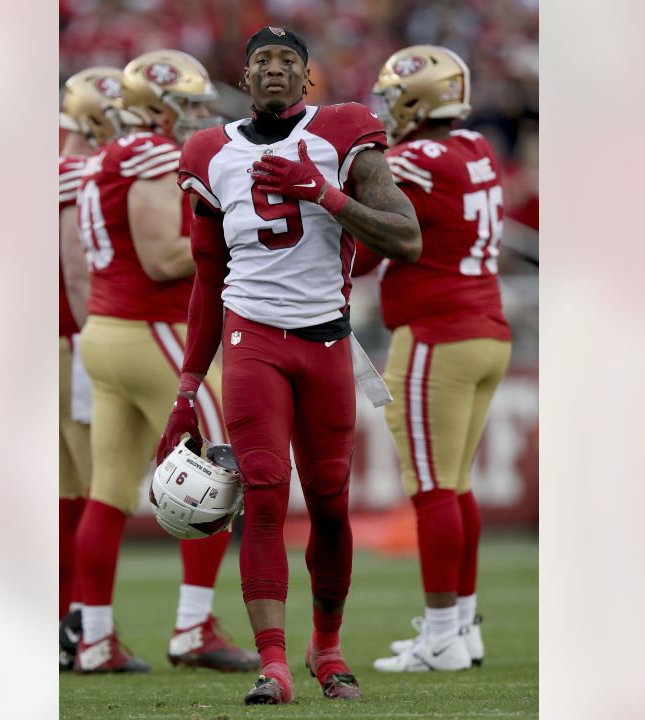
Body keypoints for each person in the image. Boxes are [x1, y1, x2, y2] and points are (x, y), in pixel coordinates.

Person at [156, 26, 422, 704]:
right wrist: (187, 385)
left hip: (329, 342)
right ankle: (272, 662)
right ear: (244, 80)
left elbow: (406, 236)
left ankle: (326, 649)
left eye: (288, 61)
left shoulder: (341, 133)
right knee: (266, 495)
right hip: (253, 341)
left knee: (331, 504)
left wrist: (322, 192)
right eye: (261, 62)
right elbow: (207, 277)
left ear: (308, 79)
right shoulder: (209, 151)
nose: (274, 70)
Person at [70, 52, 258, 674]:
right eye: (190, 104)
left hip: (106, 331)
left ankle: (94, 637)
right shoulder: (148, 154)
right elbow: (161, 256)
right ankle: (193, 628)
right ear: (154, 106)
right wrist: (244, 230)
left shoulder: (102, 159)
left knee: (109, 491)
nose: (200, 116)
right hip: (152, 331)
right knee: (220, 470)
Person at [355, 46, 512, 672]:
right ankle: (463, 628)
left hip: (437, 334)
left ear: (419, 98)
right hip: (487, 329)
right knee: (456, 485)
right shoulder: (476, 147)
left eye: (395, 94)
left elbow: (374, 237)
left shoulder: (415, 158)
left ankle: (443, 635)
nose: (388, 107)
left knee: (431, 486)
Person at [56, 67, 108, 670]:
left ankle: (67, 619)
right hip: (76, 338)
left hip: (43, 340)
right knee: (103, 488)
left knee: (69, 491)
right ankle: (85, 624)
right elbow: (76, 268)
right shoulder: (81, 172)